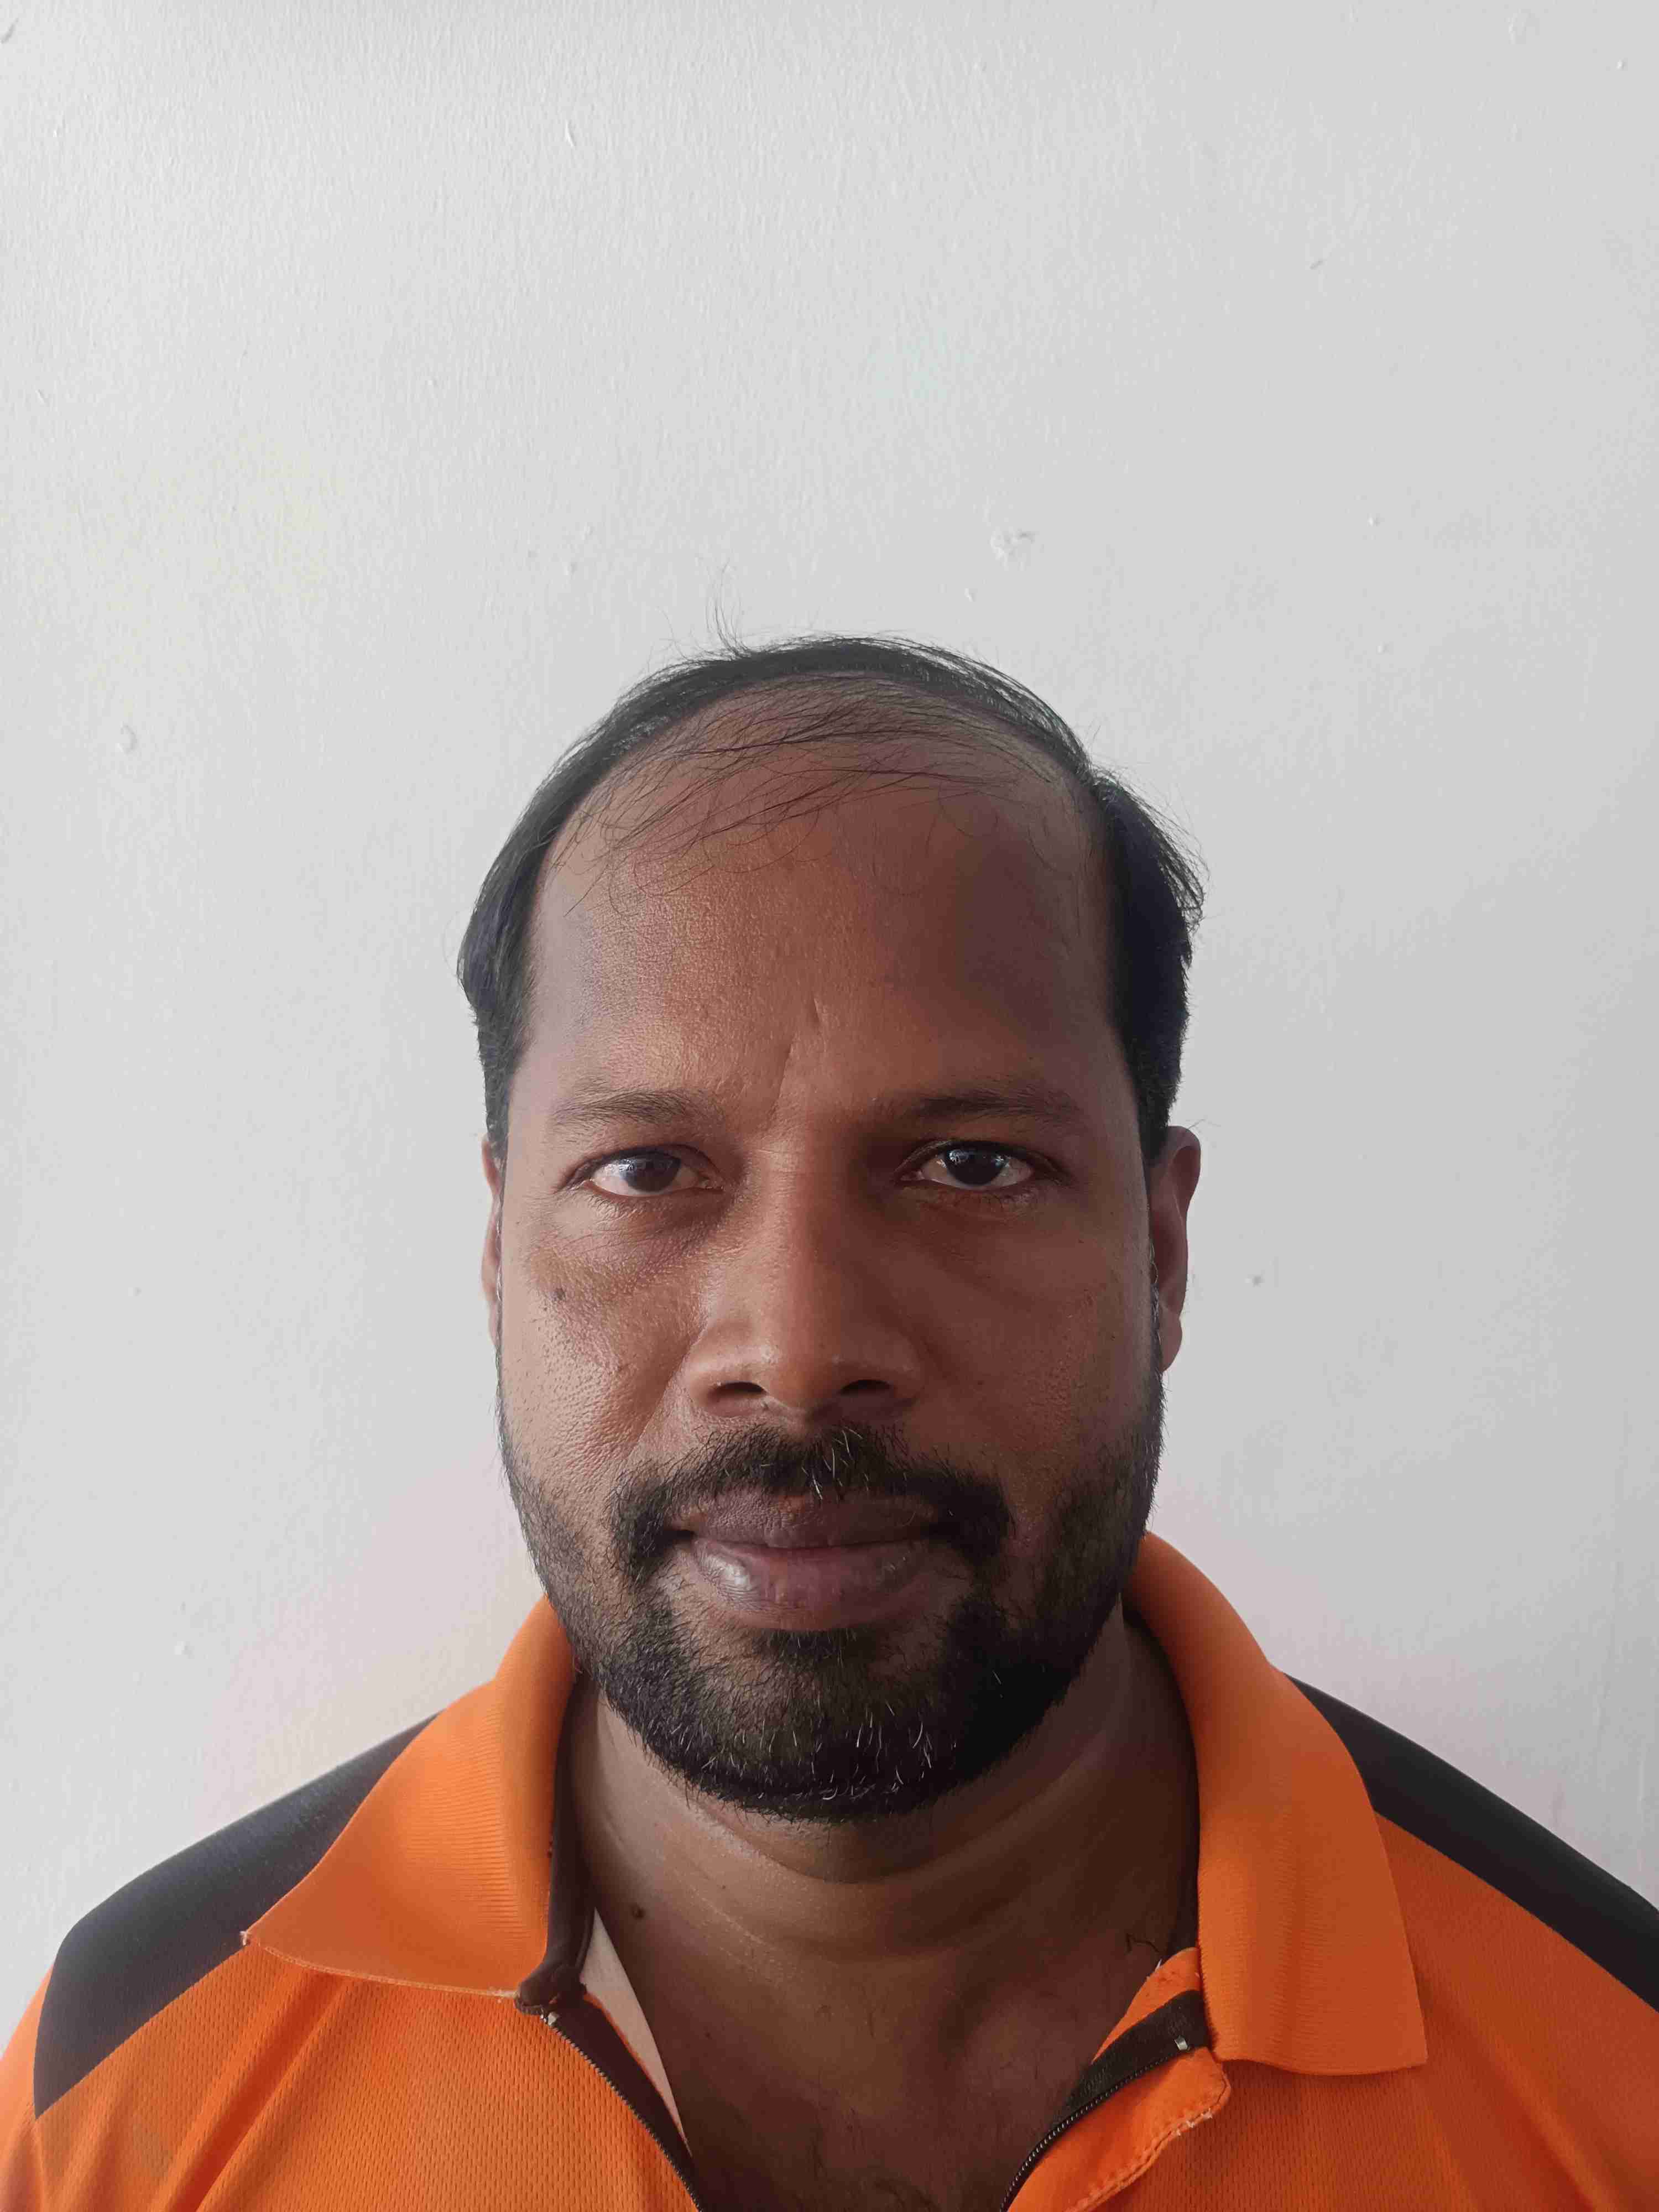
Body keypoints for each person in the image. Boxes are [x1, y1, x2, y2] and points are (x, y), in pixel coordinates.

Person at [4, 636, 1655, 2210]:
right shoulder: (127, 2103)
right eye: (646, 1171)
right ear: (501, 1253)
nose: (797, 1356)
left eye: (970, 1166)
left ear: (1160, 1251)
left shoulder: (1614, 2085)